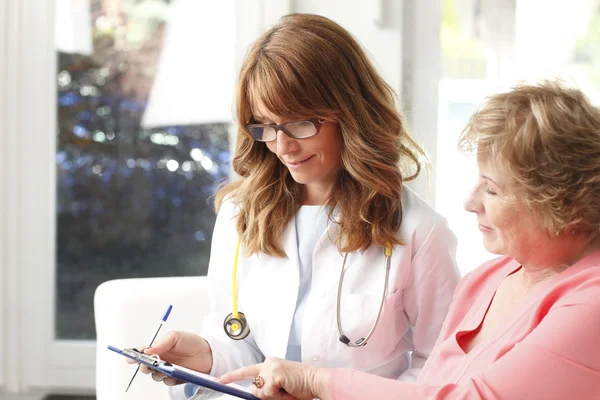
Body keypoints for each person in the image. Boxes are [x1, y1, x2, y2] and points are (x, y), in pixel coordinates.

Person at [136, 12, 460, 400]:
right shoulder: (240, 214)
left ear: (350, 111)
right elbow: (239, 346)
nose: (283, 145)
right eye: (266, 125)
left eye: (301, 123)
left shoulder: (420, 232)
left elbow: (441, 366)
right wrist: (202, 356)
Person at [217, 80, 600, 399]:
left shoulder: (591, 300)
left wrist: (317, 381)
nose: (470, 203)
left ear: (563, 204)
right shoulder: (486, 280)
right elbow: (429, 388)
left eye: (493, 190)